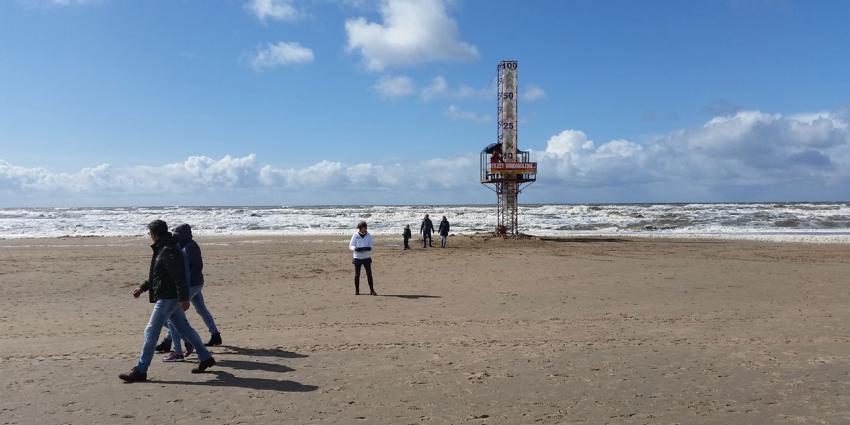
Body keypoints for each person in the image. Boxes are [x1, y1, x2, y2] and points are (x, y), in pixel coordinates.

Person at [119, 219, 216, 383]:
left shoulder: (168, 250)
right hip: (169, 296)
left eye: (150, 233)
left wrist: (184, 297)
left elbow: (179, 276)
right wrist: (144, 287)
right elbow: (159, 275)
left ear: (155, 234)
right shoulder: (165, 248)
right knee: (184, 328)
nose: (149, 236)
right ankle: (205, 357)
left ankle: (140, 370)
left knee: (151, 332)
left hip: (168, 298)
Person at [159, 223, 222, 362]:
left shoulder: (190, 247)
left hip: (191, 285)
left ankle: (175, 346)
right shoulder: (184, 245)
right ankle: (215, 335)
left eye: (176, 234)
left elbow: (195, 267)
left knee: (174, 316)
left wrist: (184, 286)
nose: (175, 237)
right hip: (194, 284)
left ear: (183, 235)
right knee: (200, 310)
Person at [349, 221, 376, 296]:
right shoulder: (355, 235)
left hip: (367, 258)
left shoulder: (369, 235)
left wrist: (369, 248)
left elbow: (372, 245)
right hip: (357, 258)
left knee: (369, 274)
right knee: (357, 275)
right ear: (360, 228)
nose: (365, 229)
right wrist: (355, 248)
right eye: (363, 228)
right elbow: (350, 246)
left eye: (365, 227)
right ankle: (357, 290)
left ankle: (372, 290)